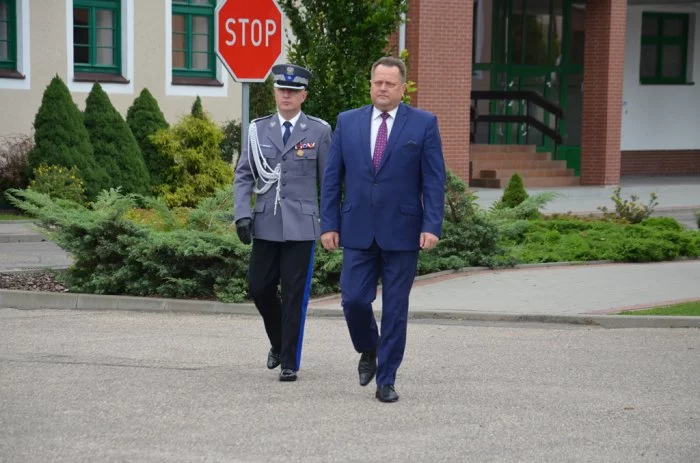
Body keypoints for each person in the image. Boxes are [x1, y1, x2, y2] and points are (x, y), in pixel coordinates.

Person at [320, 56, 446, 402]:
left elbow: (434, 181)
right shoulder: (348, 122)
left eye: (390, 83)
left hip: (403, 231)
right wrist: (329, 223)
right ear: (371, 84)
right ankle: (368, 348)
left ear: (403, 88)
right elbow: (332, 179)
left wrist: (431, 224)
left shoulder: (423, 124)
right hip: (357, 228)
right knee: (354, 299)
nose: (383, 89)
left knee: (395, 309)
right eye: (378, 82)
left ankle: (386, 379)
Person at [234, 63, 331, 382]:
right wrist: (242, 214)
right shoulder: (258, 129)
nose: (286, 95)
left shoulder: (318, 131)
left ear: (303, 95)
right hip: (266, 222)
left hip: (302, 225)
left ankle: (289, 360)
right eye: (281, 89)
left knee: (293, 293)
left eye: (292, 91)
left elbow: (327, 181)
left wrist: (331, 223)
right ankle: (277, 342)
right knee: (259, 287)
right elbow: (244, 174)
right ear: (275, 92)